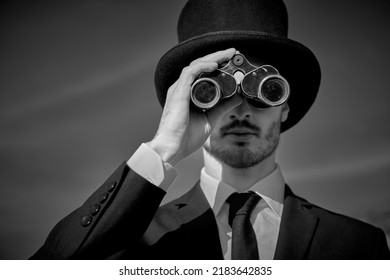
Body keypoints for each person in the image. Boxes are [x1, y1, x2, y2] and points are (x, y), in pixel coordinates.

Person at [30, 0, 389, 260]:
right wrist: (164, 149)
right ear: (190, 100)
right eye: (214, 93)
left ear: (285, 104)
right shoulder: (136, 239)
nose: (240, 110)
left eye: (266, 90)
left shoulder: (357, 247)